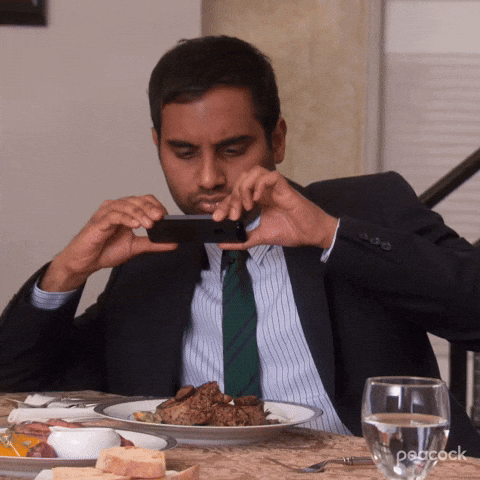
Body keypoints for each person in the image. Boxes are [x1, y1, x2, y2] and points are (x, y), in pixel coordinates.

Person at [2, 35, 480, 456]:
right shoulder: (149, 266)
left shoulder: (365, 209)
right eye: (184, 153)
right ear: (158, 145)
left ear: (277, 140)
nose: (209, 178)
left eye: (232, 150)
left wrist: (329, 234)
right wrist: (65, 274)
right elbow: (17, 388)